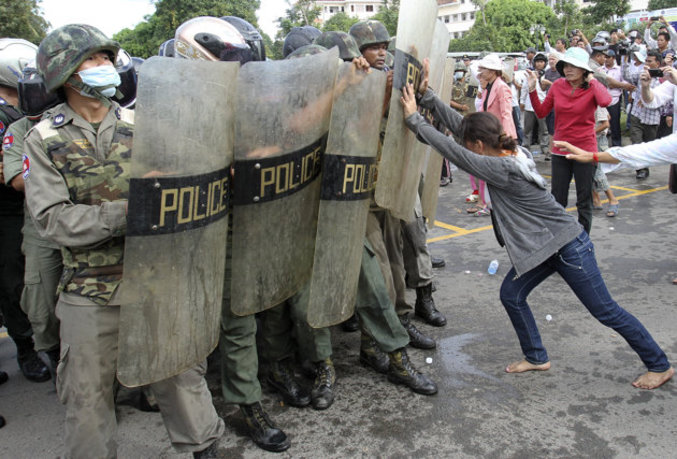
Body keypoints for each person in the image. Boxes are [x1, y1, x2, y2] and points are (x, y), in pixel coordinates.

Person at [23, 24, 225, 458]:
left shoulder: (147, 123)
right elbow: (52, 221)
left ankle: (203, 448)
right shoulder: (44, 139)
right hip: (89, 290)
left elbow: (188, 185)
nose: (104, 67)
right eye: (91, 60)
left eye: (105, 58)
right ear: (65, 74)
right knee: (86, 397)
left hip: (157, 280)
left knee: (180, 376)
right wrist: (127, 212)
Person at [399, 84, 674, 390]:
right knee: (512, 295)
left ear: (478, 145)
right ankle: (536, 356)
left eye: (469, 144)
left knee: (606, 311)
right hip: (543, 250)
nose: (466, 145)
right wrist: (429, 99)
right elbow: (461, 129)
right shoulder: (508, 148)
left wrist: (415, 119)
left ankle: (659, 364)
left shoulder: (501, 167)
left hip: (568, 248)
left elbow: (453, 150)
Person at [173, 15, 295, 451]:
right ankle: (188, 407)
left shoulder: (245, 100)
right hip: (184, 236)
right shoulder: (163, 105)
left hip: (235, 227)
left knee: (239, 318)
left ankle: (247, 400)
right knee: (184, 329)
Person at [0, 38, 51, 384]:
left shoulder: (47, 107)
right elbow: (13, 175)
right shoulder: (12, 121)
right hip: (15, 211)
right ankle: (28, 349)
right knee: (17, 283)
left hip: (30, 210)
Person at [527, 46, 611, 234]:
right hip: (560, 151)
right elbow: (541, 112)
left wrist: (592, 80)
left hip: (585, 151)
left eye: (574, 66)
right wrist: (532, 90)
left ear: (584, 69)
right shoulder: (558, 86)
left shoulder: (592, 87)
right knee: (558, 200)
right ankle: (560, 240)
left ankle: (584, 241)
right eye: (566, 65)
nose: (568, 69)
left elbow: (605, 101)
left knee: (584, 199)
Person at [628, 50, 663, 180]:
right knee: (636, 143)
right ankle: (640, 169)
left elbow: (663, 99)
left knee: (648, 145)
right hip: (637, 114)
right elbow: (628, 77)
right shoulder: (641, 74)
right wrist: (627, 57)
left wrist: (648, 99)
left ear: (657, 63)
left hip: (651, 118)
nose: (647, 63)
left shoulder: (662, 78)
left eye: (650, 61)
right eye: (646, 61)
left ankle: (645, 166)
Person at [521, 52, 549, 160]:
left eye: (541, 62)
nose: (539, 64)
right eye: (537, 62)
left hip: (543, 105)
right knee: (527, 129)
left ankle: (545, 148)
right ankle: (526, 148)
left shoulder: (547, 74)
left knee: (544, 130)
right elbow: (524, 88)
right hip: (529, 106)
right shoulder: (529, 74)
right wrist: (522, 101)